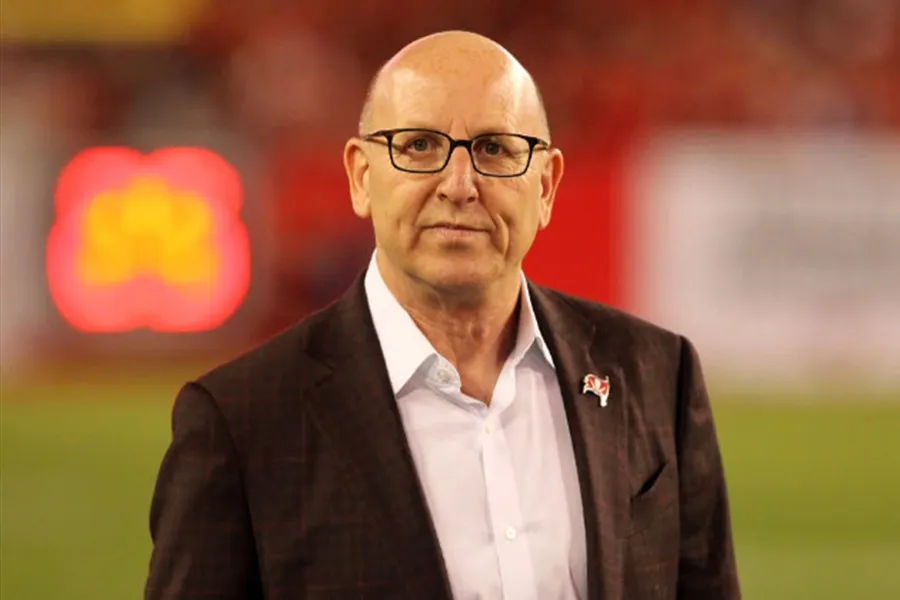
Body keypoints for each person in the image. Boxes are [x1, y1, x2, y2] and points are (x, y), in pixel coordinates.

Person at [145, 30, 740, 600]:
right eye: (419, 146)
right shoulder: (241, 422)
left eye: (495, 149)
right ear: (360, 176)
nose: (459, 185)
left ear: (547, 186)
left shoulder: (657, 377)